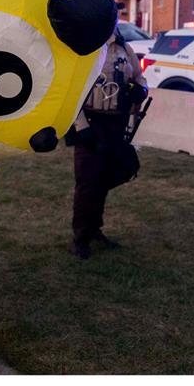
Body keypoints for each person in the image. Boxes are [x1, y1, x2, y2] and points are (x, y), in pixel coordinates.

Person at [68, 25, 148, 259]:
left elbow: (139, 77)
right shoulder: (84, 49)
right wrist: (81, 127)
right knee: (88, 183)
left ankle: (94, 230)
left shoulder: (124, 48)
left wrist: (140, 91)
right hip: (90, 123)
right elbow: (71, 91)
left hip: (116, 123)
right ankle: (80, 237)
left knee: (105, 180)